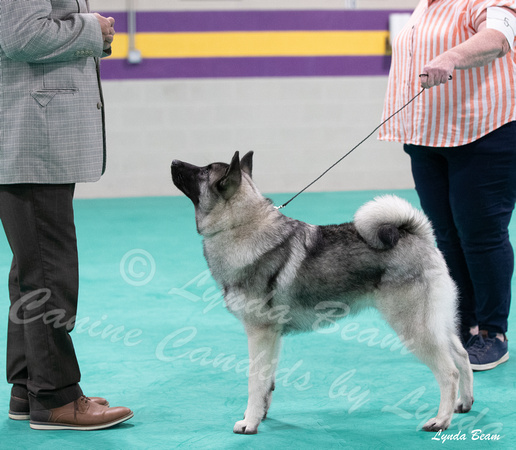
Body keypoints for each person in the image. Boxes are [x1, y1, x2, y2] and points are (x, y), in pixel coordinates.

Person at [0, 1, 133, 429]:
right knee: (49, 273)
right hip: (33, 136)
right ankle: (56, 397)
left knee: (32, 269)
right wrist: (92, 29)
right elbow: (22, 36)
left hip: (31, 136)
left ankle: (30, 386)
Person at [379, 0, 516, 371]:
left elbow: (499, 36)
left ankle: (492, 334)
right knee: (447, 236)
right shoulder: (426, 5)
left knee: (481, 235)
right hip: (429, 137)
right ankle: (464, 323)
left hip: (485, 132)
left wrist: (453, 56)